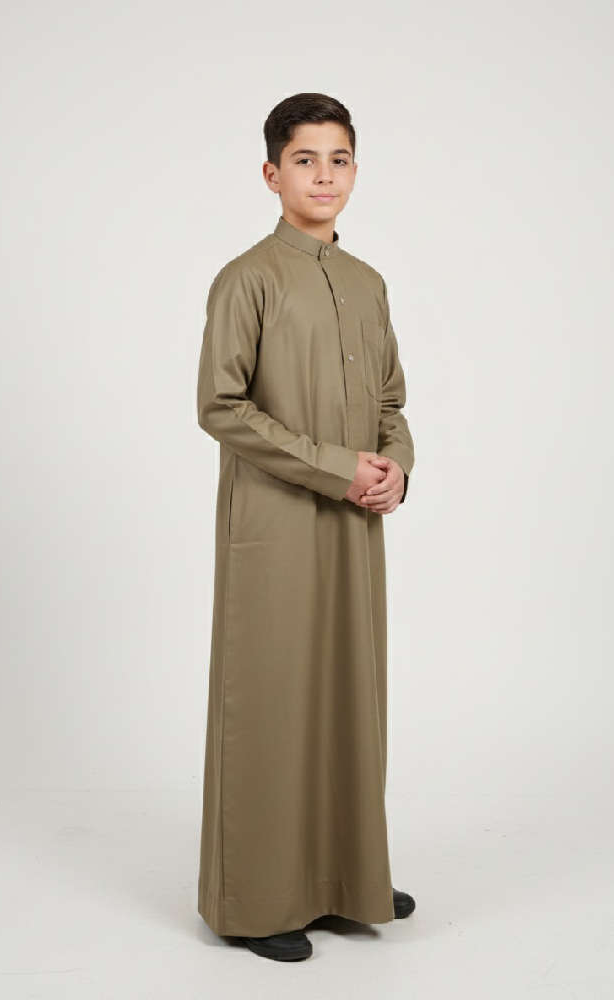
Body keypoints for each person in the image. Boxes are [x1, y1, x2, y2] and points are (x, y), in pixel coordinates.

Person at [195, 92, 416, 962]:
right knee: (273, 700)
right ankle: (257, 902)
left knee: (350, 695)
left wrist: (396, 467)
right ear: (271, 173)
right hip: (277, 525)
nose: (324, 175)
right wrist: (334, 467)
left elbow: (391, 401)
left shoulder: (367, 284)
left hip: (355, 523)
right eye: (304, 160)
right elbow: (220, 405)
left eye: (339, 159)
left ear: (355, 170)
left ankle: (346, 878)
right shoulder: (247, 278)